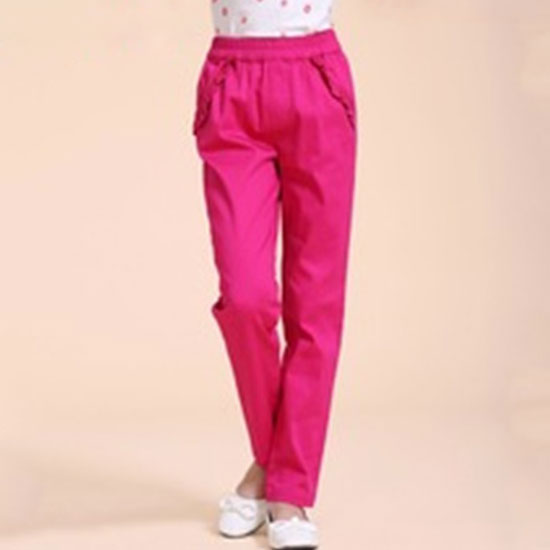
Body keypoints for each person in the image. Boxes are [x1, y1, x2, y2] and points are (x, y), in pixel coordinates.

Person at [191, 1, 357, 548]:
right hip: (233, 82)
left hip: (315, 76)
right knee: (245, 297)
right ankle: (276, 467)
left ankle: (285, 491)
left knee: (316, 302)